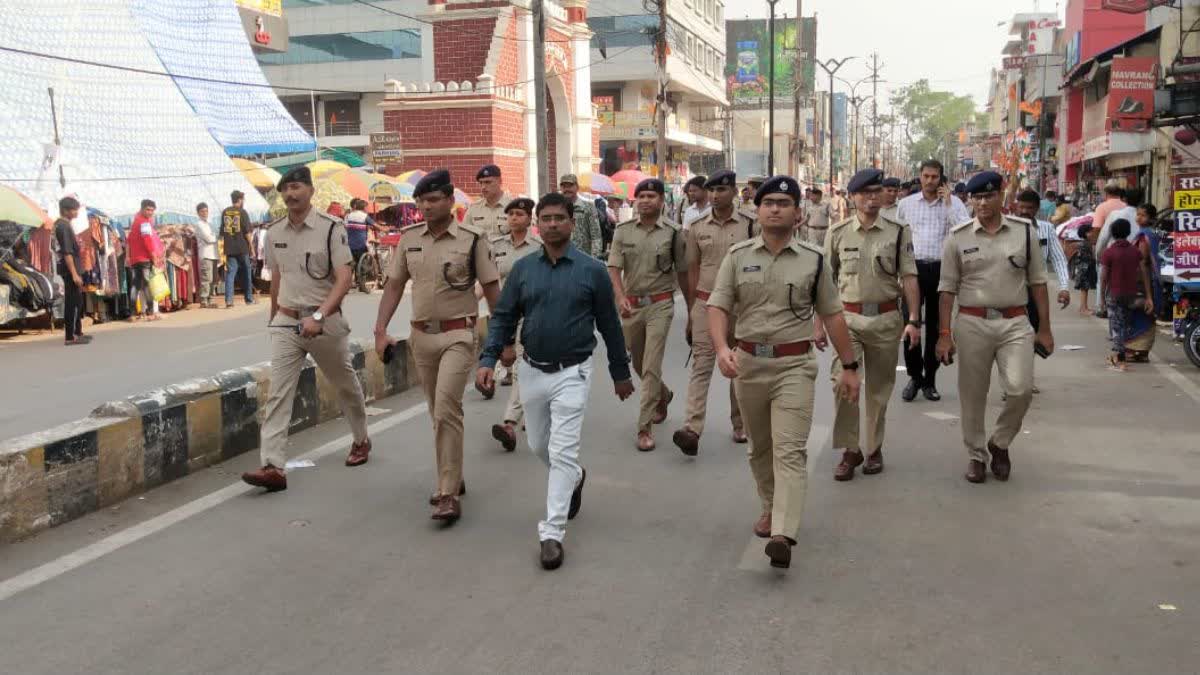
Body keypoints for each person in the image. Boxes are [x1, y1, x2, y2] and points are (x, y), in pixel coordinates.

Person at [708, 175, 861, 569]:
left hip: (794, 365)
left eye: (784, 202)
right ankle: (771, 506)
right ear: (757, 210)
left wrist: (849, 366)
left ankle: (783, 532)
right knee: (760, 447)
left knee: (790, 449)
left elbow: (832, 314)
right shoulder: (738, 256)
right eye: (768, 202)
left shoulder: (813, 260)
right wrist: (723, 348)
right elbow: (718, 306)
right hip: (749, 365)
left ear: (797, 213)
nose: (775, 208)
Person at [477, 192, 634, 571]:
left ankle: (552, 533)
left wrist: (620, 372)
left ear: (570, 222)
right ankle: (576, 477)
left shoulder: (592, 270)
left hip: (573, 372)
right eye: (544, 218)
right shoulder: (524, 270)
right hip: (531, 369)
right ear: (537, 224)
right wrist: (488, 358)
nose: (551, 224)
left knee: (561, 451)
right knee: (537, 445)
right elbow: (503, 317)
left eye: (558, 218)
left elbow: (610, 326)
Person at [374, 169, 501, 523]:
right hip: (421, 338)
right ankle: (454, 476)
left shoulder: (473, 240)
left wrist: (502, 341)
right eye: (421, 201)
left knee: (446, 408)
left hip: (458, 335)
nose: (426, 207)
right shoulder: (409, 239)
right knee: (436, 412)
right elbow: (395, 286)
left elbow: (492, 292)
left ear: (450, 201)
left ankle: (446, 492)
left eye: (432, 200)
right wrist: (380, 329)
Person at [241, 166, 372, 492]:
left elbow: (344, 278)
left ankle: (361, 439)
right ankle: (273, 465)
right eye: (285, 190)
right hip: (287, 320)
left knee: (345, 384)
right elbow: (278, 276)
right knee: (278, 394)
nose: (290, 194)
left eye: (296, 187)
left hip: (324, 321)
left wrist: (320, 315)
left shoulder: (331, 229)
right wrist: (274, 317)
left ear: (310, 191)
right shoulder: (274, 232)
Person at [935, 171, 1054, 484]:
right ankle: (976, 455)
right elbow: (946, 290)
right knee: (972, 395)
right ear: (970, 200)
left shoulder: (1024, 232)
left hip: (1015, 322)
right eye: (976, 197)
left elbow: (1039, 283)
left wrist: (1045, 329)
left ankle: (1000, 443)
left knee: (1020, 389)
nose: (982, 203)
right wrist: (944, 334)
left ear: (1002, 195)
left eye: (988, 196)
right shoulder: (958, 237)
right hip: (972, 322)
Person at [819, 169, 921, 481]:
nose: (871, 197)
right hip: (847, 318)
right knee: (842, 382)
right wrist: (817, 324)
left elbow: (909, 276)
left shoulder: (899, 231)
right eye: (864, 192)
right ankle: (851, 449)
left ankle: (874, 448)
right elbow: (823, 283)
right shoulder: (837, 233)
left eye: (876, 191)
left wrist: (915, 319)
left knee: (878, 389)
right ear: (852, 197)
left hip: (887, 318)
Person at [672, 170, 755, 456]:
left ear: (734, 191)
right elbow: (692, 270)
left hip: (741, 306)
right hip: (706, 304)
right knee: (702, 364)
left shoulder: (751, 226)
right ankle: (692, 429)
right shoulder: (696, 227)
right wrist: (693, 308)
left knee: (739, 366)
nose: (717, 195)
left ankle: (740, 424)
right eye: (713, 190)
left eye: (722, 189)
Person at [608, 178, 687, 451]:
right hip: (631, 305)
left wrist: (692, 307)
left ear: (662, 201)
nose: (645, 200)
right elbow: (614, 269)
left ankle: (644, 428)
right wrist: (619, 297)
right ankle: (662, 394)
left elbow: (684, 272)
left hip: (661, 305)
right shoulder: (622, 231)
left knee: (651, 364)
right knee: (638, 363)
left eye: (651, 196)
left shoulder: (674, 233)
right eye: (640, 196)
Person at [896, 159, 971, 402]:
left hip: (942, 269)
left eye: (934, 177)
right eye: (926, 176)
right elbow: (899, 237)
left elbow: (963, 230)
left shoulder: (954, 203)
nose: (930, 181)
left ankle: (930, 381)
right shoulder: (906, 204)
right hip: (913, 270)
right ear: (919, 176)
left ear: (942, 179)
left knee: (938, 327)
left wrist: (948, 202)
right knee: (911, 322)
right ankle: (914, 377)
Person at [488, 198, 542, 452]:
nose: (514, 218)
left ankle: (509, 421)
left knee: (522, 367)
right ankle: (534, 411)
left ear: (529, 218)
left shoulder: (539, 247)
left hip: (533, 314)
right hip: (504, 313)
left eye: (520, 214)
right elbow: (488, 281)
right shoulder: (496, 246)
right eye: (510, 214)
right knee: (526, 368)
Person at [1100, 218, 1153, 371]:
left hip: (1114, 294)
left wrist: (1102, 299)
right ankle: (1123, 355)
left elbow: (1104, 278)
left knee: (1116, 326)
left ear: (1112, 234)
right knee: (1125, 324)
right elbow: (1144, 273)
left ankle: (1121, 359)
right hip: (1132, 294)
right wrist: (1148, 296)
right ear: (1129, 232)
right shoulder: (1135, 251)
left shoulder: (1108, 253)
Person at [1126, 203, 1164, 362]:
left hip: (1144, 282)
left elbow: (1143, 264)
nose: (1139, 218)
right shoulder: (1152, 233)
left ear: (1151, 218)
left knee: (1141, 314)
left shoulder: (1144, 236)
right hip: (1150, 281)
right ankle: (1142, 352)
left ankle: (1136, 350)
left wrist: (1148, 294)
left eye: (1143, 215)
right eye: (1138, 214)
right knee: (1147, 316)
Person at [54, 197, 90, 345]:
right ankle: (70, 336)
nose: (76, 212)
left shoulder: (64, 225)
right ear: (66, 210)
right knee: (73, 302)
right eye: (74, 210)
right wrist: (74, 273)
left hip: (72, 267)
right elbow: (67, 252)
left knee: (78, 300)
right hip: (70, 269)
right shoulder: (63, 227)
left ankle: (77, 332)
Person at [127, 199, 164, 321]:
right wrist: (153, 256)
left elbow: (129, 241)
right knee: (147, 285)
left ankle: (132, 313)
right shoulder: (144, 223)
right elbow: (147, 240)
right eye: (148, 209)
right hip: (144, 258)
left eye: (152, 210)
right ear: (142, 209)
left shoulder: (135, 221)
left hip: (135, 259)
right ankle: (150, 312)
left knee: (135, 286)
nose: (150, 212)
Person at [221, 191, 255, 309]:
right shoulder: (242, 212)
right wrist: (252, 248)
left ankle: (229, 300)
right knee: (247, 273)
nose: (243, 202)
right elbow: (247, 232)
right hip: (242, 248)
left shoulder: (225, 212)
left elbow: (222, 232)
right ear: (240, 200)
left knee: (230, 274)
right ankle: (249, 299)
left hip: (230, 248)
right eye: (243, 199)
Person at [558, 174, 603, 258]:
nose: (567, 189)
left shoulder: (588, 208)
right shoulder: (557, 209)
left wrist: (594, 259)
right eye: (564, 186)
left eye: (570, 186)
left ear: (577, 187)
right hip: (561, 258)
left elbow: (596, 237)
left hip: (583, 258)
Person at [463, 164, 513, 237]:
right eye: (481, 183)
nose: (483, 187)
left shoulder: (513, 207)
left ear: (500, 181)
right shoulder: (473, 209)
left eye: (488, 182)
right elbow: (464, 236)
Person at [193, 203, 219, 308]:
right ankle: (204, 300)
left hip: (214, 254)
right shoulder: (199, 224)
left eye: (206, 211)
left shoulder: (210, 223)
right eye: (202, 211)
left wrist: (215, 236)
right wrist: (215, 236)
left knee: (213, 279)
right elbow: (209, 239)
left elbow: (216, 235)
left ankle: (210, 299)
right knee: (206, 278)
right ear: (198, 213)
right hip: (205, 255)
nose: (205, 213)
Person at [344, 198, 375, 288]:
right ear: (364, 207)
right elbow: (375, 225)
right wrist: (385, 229)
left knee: (351, 264)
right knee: (363, 264)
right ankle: (362, 283)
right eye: (367, 207)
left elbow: (345, 227)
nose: (367, 209)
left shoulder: (348, 216)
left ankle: (349, 283)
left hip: (349, 244)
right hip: (361, 244)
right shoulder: (364, 216)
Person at [1071, 222, 1098, 315]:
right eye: (1090, 232)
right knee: (1084, 289)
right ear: (1085, 233)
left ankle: (1084, 307)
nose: (1092, 233)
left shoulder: (1086, 243)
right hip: (1084, 270)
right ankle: (1083, 308)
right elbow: (1088, 258)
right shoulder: (1085, 244)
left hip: (1084, 269)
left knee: (1085, 289)